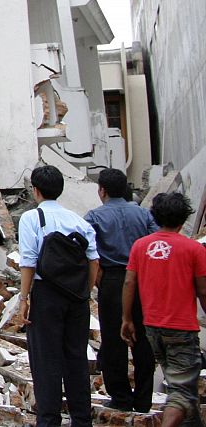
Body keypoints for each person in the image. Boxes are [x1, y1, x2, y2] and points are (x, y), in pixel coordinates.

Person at [18, 165, 99, 427]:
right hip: (76, 296)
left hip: (46, 294)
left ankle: (49, 420)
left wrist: (24, 298)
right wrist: (85, 291)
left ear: (35, 190)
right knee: (76, 358)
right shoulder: (78, 221)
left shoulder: (31, 218)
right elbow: (93, 260)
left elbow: (28, 261)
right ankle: (81, 420)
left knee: (45, 359)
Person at [122, 193, 206, 427]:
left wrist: (126, 318)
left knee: (180, 385)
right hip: (181, 329)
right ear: (183, 219)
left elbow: (129, 282)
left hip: (152, 327)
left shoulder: (140, 246)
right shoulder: (194, 249)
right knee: (181, 392)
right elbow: (203, 290)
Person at [84, 168, 157, 413]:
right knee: (143, 339)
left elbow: (86, 249)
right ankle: (144, 398)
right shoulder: (143, 214)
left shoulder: (94, 216)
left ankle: (121, 397)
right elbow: (155, 242)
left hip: (112, 280)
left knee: (114, 340)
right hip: (142, 279)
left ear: (102, 191)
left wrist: (95, 276)